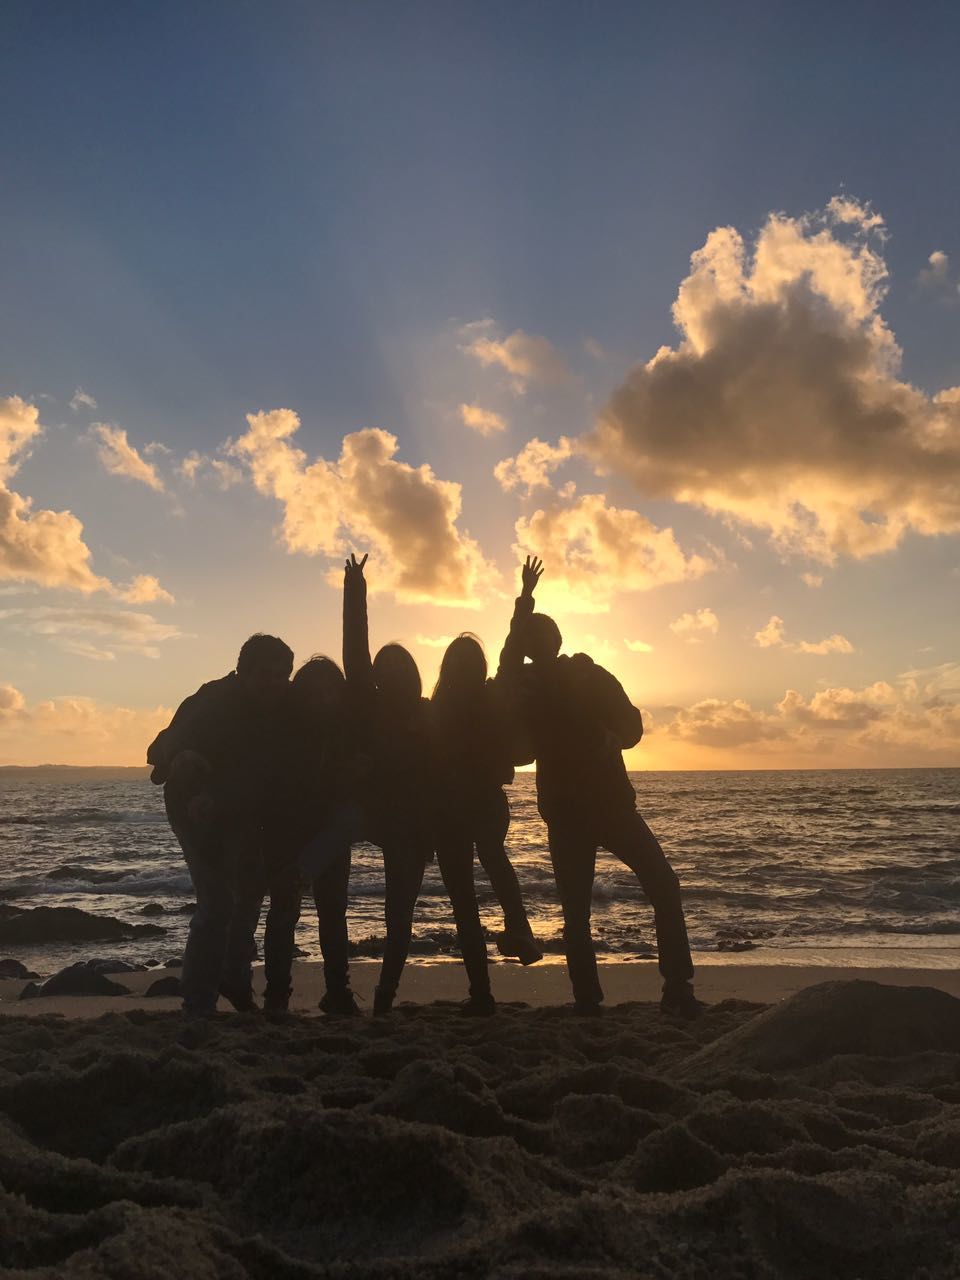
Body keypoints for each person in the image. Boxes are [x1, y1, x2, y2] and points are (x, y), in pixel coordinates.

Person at [499, 560, 701, 1019]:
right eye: (531, 637)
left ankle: (677, 986)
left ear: (558, 639)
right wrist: (524, 599)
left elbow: (632, 723)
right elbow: (508, 659)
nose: (538, 641)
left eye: (542, 633)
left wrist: (614, 736)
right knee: (575, 913)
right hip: (567, 812)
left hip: (612, 805)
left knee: (664, 886)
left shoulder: (593, 676)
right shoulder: (526, 684)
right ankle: (588, 999)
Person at [146, 634, 294, 1018]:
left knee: (248, 895)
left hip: (237, 809)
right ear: (243, 672)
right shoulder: (212, 700)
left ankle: (234, 981)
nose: (275, 683)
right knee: (216, 901)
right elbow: (158, 747)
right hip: (193, 809)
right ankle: (198, 1003)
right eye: (266, 675)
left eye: (282, 675)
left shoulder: (282, 707)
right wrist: (180, 756)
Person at [431, 631, 542, 1015]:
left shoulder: (444, 706)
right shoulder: (464, 702)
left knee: (468, 897)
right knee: (491, 865)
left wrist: (524, 603)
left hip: (462, 805)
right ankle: (517, 933)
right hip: (463, 805)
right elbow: (510, 661)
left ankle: (483, 991)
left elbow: (510, 659)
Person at [342, 553, 433, 1014]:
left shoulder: (426, 711)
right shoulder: (368, 703)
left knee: (400, 914)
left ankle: (384, 995)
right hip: (369, 810)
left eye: (401, 666)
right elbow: (356, 651)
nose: (391, 672)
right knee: (328, 840)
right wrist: (355, 589)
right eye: (386, 667)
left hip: (410, 825)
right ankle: (295, 872)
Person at [261, 655, 360, 1015]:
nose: (322, 698)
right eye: (314, 691)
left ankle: (337, 991)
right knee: (285, 911)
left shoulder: (345, 733)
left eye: (329, 691)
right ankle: (277, 995)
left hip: (329, 835)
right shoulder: (284, 732)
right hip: (290, 831)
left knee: (332, 913)